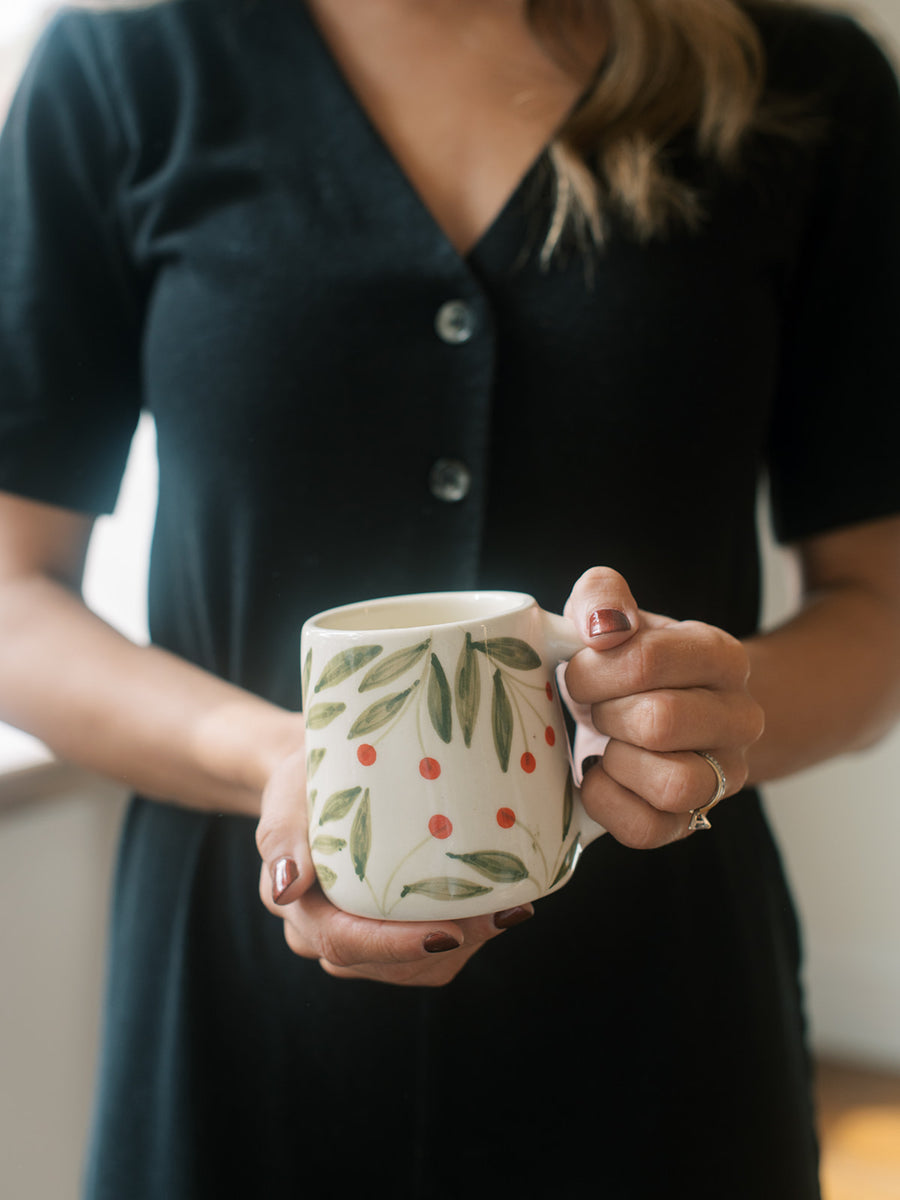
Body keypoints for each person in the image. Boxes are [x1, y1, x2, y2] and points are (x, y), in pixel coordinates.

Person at [0, 0, 899, 1195]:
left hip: (663, 1030)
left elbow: (879, 601)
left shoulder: (806, 86)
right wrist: (280, 759)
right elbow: (11, 594)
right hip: (239, 1033)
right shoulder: (124, 72)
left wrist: (714, 719)